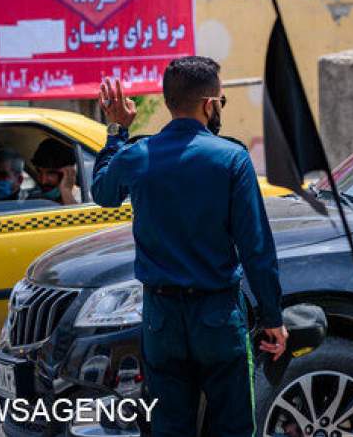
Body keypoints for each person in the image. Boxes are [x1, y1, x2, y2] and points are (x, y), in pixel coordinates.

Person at [92, 57, 287, 437]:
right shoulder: (231, 158)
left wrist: (117, 130)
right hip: (217, 317)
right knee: (233, 426)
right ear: (209, 104)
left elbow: (103, 192)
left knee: (170, 427)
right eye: (222, 102)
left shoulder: (137, 155)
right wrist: (273, 317)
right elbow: (256, 247)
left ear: (168, 102)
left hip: (161, 320)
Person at [29, 139, 79, 205]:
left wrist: (66, 192)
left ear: (69, 172)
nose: (43, 181)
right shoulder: (34, 199)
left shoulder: (85, 201)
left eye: (51, 173)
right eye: (39, 172)